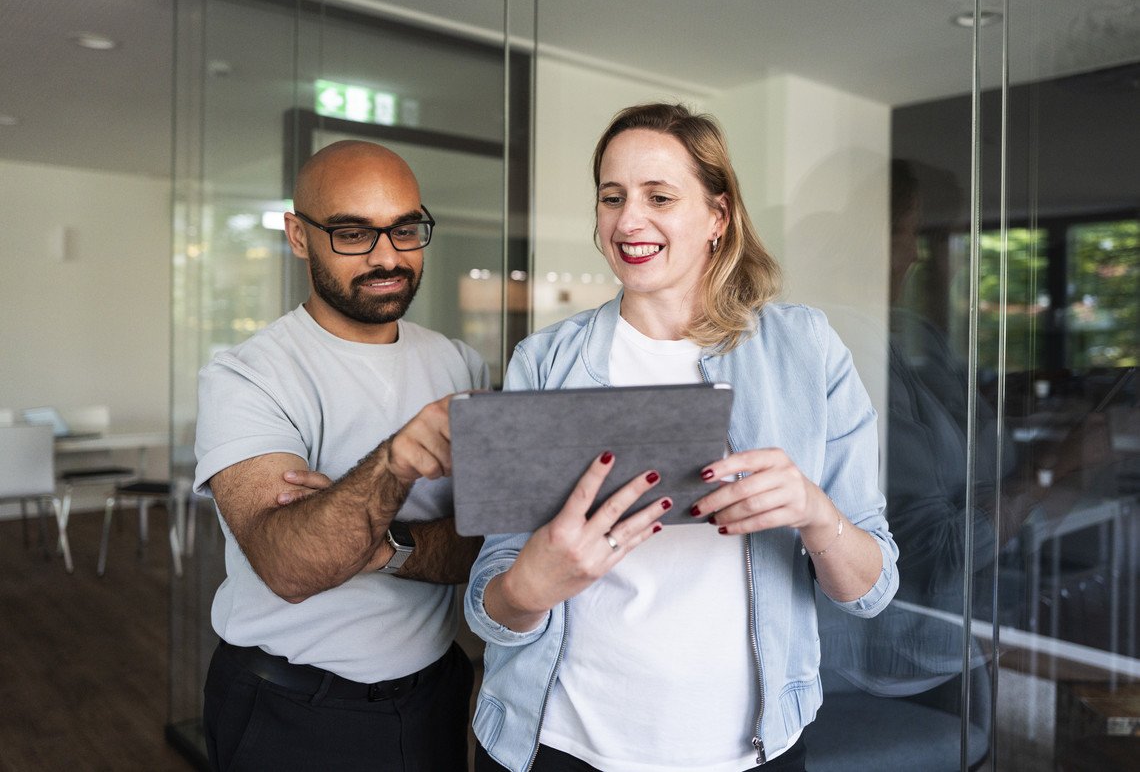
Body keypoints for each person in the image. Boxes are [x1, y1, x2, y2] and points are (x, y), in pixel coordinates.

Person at [464, 103, 899, 772]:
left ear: (717, 217)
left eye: (659, 196)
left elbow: (870, 588)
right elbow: (491, 599)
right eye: (613, 197)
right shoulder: (543, 360)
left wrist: (814, 509)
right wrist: (532, 585)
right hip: (564, 744)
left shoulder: (806, 348)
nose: (628, 220)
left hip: (749, 752)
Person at [193, 140, 489, 771]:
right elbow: (291, 566)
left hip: (437, 695)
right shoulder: (249, 377)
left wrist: (375, 544)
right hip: (293, 712)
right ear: (298, 236)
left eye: (405, 229)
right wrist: (396, 463)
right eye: (353, 233)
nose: (387, 256)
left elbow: (480, 544)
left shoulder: (461, 364)